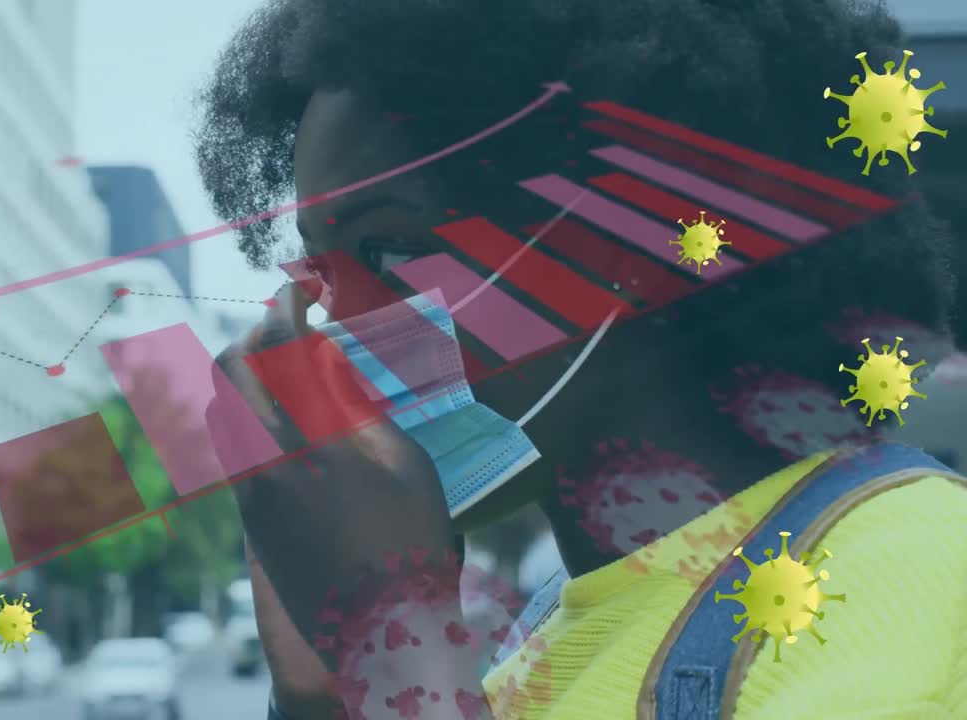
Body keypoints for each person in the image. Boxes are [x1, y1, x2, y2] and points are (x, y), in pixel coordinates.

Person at [193, 0, 967, 718]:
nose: (333, 329)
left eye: (387, 248)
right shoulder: (532, 653)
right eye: (321, 274)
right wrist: (325, 696)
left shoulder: (919, 583)